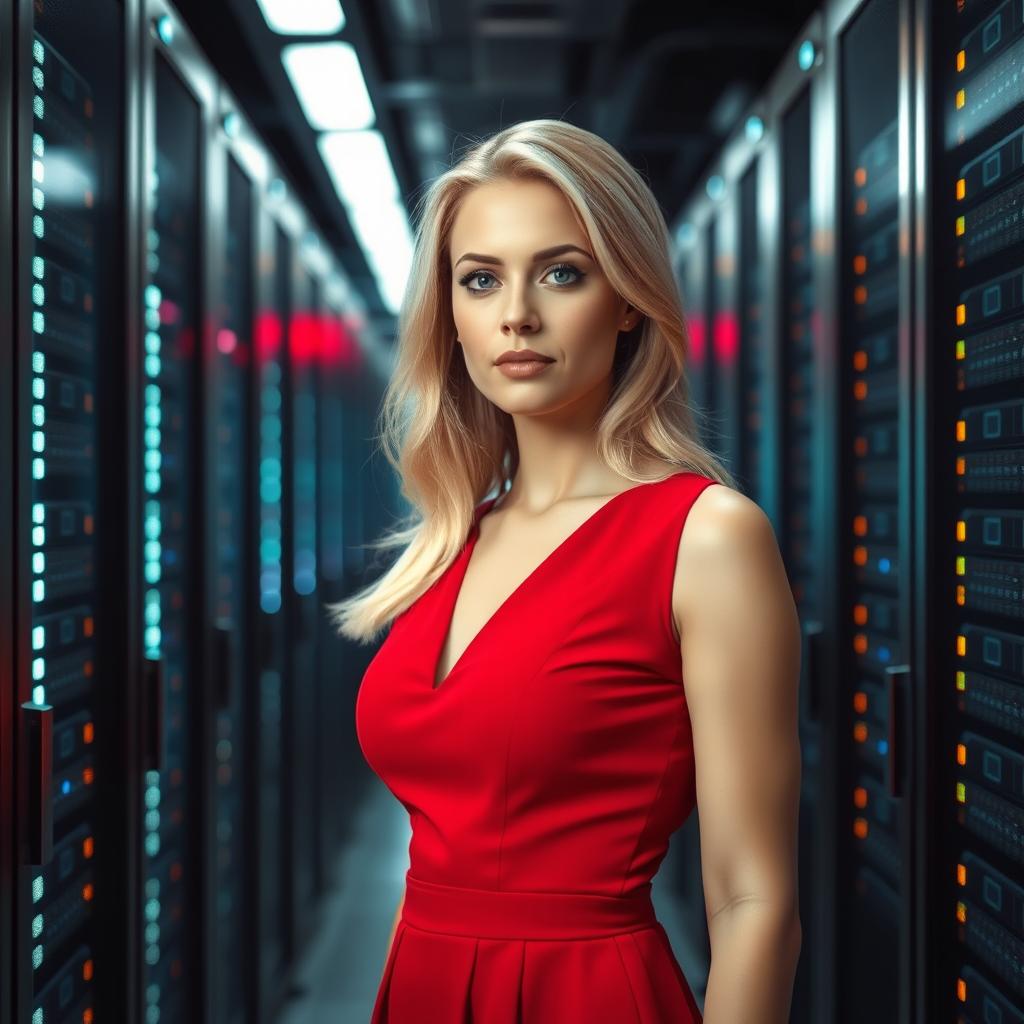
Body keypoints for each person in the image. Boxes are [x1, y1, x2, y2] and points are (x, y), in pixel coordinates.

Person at [329, 118, 802, 1024]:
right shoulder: (449, 541)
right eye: (480, 279)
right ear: (452, 317)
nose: (517, 314)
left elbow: (755, 904)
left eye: (561, 272)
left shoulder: (705, 537)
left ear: (626, 299)